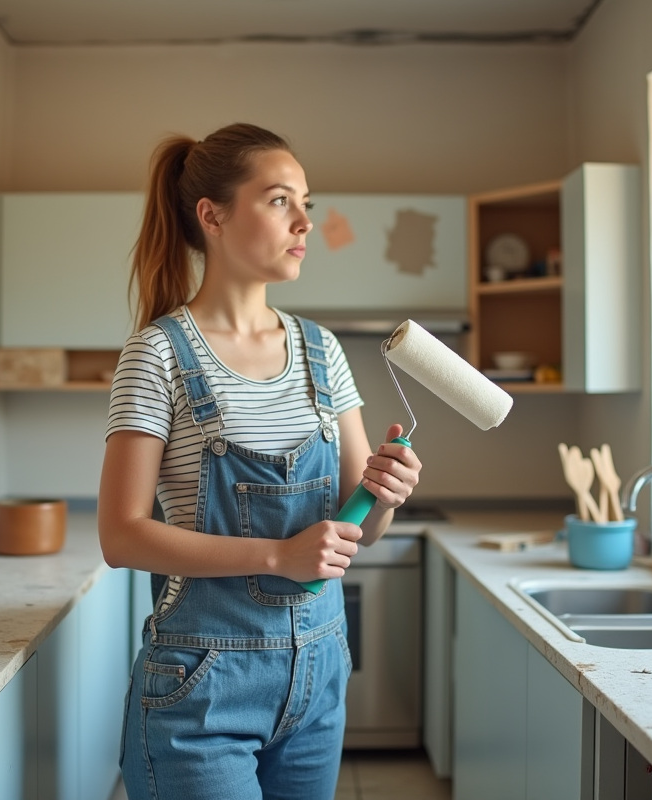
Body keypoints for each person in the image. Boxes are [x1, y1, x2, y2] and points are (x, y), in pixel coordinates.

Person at [98, 122, 422, 800]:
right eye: (280, 201)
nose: (305, 220)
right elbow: (121, 535)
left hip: (320, 677)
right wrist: (278, 556)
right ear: (212, 216)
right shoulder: (156, 356)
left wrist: (385, 495)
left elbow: (353, 533)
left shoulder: (322, 350)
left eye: (305, 201)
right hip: (201, 691)